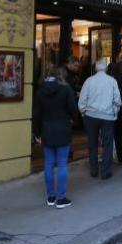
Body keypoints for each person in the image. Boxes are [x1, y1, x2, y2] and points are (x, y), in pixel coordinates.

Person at [34, 66, 78, 209]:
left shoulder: (40, 92)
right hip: (63, 129)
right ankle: (61, 197)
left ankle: (51, 196)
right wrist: (72, 119)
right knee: (62, 164)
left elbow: (37, 115)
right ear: (60, 76)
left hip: (47, 130)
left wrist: (37, 133)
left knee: (48, 164)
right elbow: (73, 109)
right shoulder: (65, 90)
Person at [78, 59, 122, 180]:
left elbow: (82, 100)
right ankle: (105, 171)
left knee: (92, 144)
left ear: (95, 68)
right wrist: (114, 112)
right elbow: (117, 100)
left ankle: (93, 170)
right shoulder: (112, 81)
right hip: (107, 116)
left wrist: (83, 113)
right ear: (106, 68)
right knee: (107, 144)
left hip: (91, 116)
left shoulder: (89, 81)